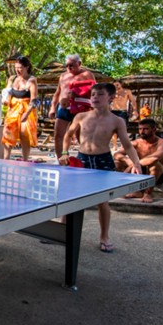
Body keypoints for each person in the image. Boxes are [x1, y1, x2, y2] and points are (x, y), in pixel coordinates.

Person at [58, 83, 142, 253]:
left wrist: (137, 163)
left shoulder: (117, 120)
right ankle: (61, 232)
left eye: (100, 94)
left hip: (103, 161)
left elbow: (127, 144)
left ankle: (104, 236)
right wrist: (65, 152)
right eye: (93, 94)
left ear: (111, 98)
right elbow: (67, 136)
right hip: (82, 159)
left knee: (102, 201)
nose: (95, 97)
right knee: (71, 197)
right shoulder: (81, 116)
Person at [49, 54, 96, 159]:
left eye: (71, 65)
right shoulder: (63, 76)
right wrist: (52, 107)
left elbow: (94, 91)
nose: (69, 68)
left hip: (81, 107)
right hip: (64, 107)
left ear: (79, 64)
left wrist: (77, 93)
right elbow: (58, 92)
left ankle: (85, 158)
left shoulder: (87, 74)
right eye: (66, 65)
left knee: (82, 135)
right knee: (58, 135)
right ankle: (61, 159)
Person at [114, 118, 163, 203]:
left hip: (159, 174)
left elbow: (153, 159)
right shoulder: (136, 143)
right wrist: (130, 163)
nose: (142, 131)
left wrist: (132, 166)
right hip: (139, 171)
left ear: (154, 129)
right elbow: (117, 154)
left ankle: (147, 193)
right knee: (117, 163)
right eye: (140, 129)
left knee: (156, 165)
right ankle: (135, 191)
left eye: (145, 129)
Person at [1, 56, 39, 161]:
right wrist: (5, 101)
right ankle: (6, 158)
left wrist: (26, 114)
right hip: (13, 109)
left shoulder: (31, 80)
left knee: (24, 133)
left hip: (26, 108)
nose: (18, 70)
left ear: (27, 67)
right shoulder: (12, 78)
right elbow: (7, 93)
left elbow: (34, 99)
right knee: (8, 133)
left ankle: (25, 159)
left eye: (20, 68)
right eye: (16, 67)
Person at [110, 80, 139, 150]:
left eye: (117, 85)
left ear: (121, 84)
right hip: (113, 111)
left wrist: (135, 110)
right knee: (113, 130)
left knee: (123, 129)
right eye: (114, 85)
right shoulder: (111, 92)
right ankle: (115, 145)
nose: (116, 87)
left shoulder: (127, 91)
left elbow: (133, 101)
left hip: (122, 111)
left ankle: (123, 145)